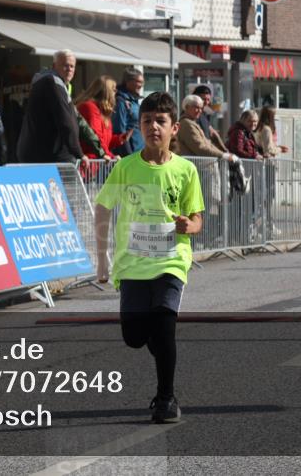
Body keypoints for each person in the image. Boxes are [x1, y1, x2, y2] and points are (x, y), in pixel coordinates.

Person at [94, 92, 204, 424]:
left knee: (165, 327)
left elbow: (198, 218)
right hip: (133, 263)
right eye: (147, 121)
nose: (153, 126)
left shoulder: (185, 170)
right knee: (134, 336)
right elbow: (102, 208)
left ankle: (166, 399)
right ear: (139, 126)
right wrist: (102, 259)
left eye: (161, 121)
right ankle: (159, 349)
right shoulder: (126, 167)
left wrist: (190, 224)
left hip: (171, 260)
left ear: (174, 128)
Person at [17, 50, 84, 165]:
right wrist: (79, 154)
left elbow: (76, 121)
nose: (69, 69)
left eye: (72, 66)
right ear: (54, 66)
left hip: (40, 155)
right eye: (65, 65)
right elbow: (65, 121)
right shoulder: (53, 82)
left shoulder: (57, 84)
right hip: (47, 158)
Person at [254, 106, 290, 238]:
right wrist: (279, 149)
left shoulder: (259, 128)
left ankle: (266, 225)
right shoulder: (267, 129)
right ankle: (267, 226)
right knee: (268, 198)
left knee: (264, 198)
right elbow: (268, 149)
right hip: (268, 165)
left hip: (263, 165)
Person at [76, 76, 130, 160]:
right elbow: (95, 137)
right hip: (87, 164)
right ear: (105, 91)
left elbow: (105, 141)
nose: (116, 92)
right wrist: (110, 156)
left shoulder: (103, 112)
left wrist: (119, 139)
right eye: (113, 89)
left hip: (96, 163)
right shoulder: (89, 107)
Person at [112, 68, 145, 157]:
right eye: (138, 82)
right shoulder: (121, 102)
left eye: (142, 82)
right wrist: (129, 155)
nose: (141, 85)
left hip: (139, 152)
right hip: (130, 154)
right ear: (128, 81)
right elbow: (120, 130)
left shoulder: (135, 101)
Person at [192, 85, 227, 153]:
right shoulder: (191, 115)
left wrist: (224, 150)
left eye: (208, 99)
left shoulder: (203, 114)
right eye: (203, 99)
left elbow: (213, 133)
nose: (206, 102)